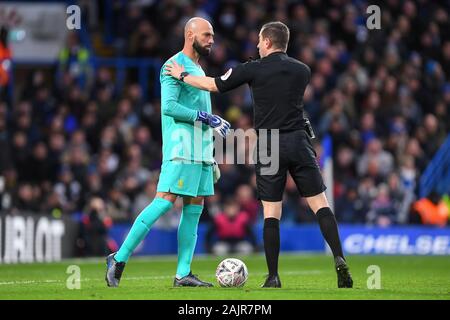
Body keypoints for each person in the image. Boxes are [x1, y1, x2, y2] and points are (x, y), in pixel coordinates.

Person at [165, 21, 353, 288]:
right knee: (321, 205)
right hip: (299, 141)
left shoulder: (253, 69)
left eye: (258, 41)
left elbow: (213, 84)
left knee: (271, 213)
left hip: (269, 145)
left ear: (266, 42)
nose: (255, 45)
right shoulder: (303, 70)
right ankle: (339, 258)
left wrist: (182, 75)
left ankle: (273, 277)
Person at [105, 17, 231, 288]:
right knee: (164, 200)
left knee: (195, 208)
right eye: (207, 35)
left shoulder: (196, 67)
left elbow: (201, 114)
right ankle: (119, 257)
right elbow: (169, 107)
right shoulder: (172, 66)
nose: (212, 40)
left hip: (200, 152)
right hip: (181, 148)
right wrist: (207, 118)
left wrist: (210, 153)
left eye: (213, 35)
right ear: (190, 34)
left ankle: (182, 273)